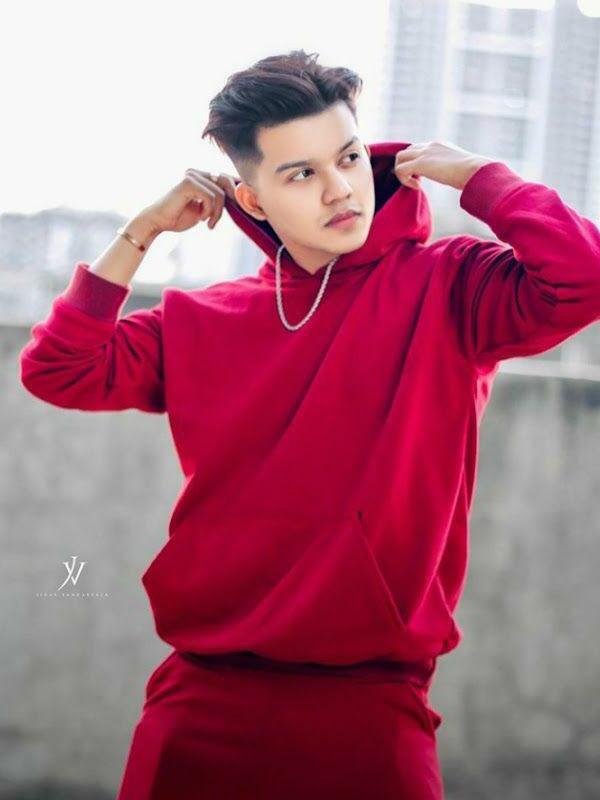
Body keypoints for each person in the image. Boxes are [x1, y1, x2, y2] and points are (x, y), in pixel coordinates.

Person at [19, 49, 600, 799]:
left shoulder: (450, 287)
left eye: (349, 158)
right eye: (301, 174)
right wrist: (142, 231)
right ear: (253, 200)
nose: (340, 189)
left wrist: (481, 178)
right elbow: (59, 368)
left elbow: (582, 277)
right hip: (201, 701)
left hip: (372, 708)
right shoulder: (203, 319)